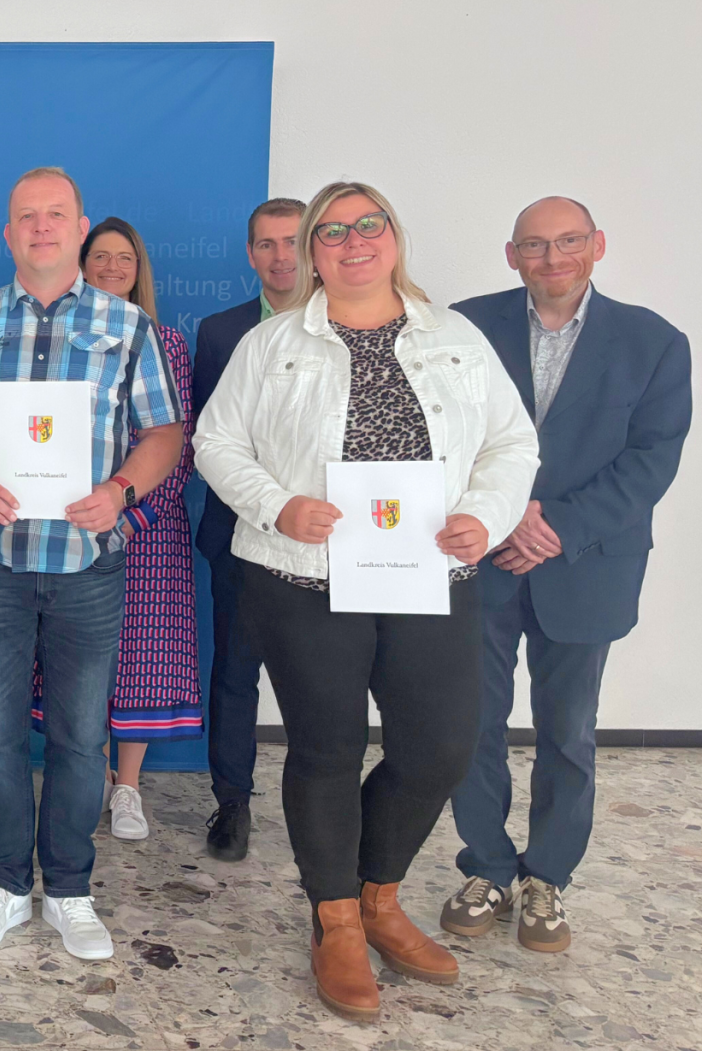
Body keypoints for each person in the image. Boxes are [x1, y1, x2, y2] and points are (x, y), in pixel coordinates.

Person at [193, 181, 538, 1024]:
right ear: (311, 252)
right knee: (326, 749)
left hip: (430, 577)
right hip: (303, 580)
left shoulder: (454, 336)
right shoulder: (272, 344)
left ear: (394, 236)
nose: (353, 241)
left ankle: (380, 896)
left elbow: (511, 441)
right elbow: (215, 441)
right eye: (332, 231)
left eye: (368, 225)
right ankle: (337, 916)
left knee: (440, 747)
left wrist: (484, 516)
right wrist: (278, 504)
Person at [0, 166, 185, 959]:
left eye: (55, 215)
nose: (40, 227)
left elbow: (164, 433)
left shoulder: (125, 326)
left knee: (76, 736)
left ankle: (68, 887)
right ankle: (1, 882)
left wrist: (121, 490)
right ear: (8, 233)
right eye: (26, 216)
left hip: (88, 563)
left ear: (79, 226)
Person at [443, 197, 690, 953]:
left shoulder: (654, 341)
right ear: (512, 254)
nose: (554, 258)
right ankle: (485, 864)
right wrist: (504, 513)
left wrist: (558, 528)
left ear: (598, 246)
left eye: (569, 242)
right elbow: (439, 433)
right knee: (471, 723)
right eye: (536, 245)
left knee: (570, 732)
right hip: (481, 554)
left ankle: (548, 875)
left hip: (585, 564)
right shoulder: (463, 325)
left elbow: (653, 456)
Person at [190, 197, 306, 861]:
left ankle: (320, 801)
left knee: (321, 675)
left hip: (329, 537)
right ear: (250, 253)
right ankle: (232, 799)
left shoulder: (351, 322)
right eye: (266, 244)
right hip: (237, 533)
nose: (280, 256)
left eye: (292, 241)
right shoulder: (220, 331)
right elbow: (211, 439)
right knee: (235, 670)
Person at [78, 217, 200, 842]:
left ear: (138, 269)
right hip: (74, 524)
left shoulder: (168, 345)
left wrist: (133, 514)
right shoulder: (64, 337)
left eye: (123, 258)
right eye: (99, 256)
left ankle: (127, 787)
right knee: (83, 656)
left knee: (141, 657)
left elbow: (178, 446)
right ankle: (90, 774)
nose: (111, 267)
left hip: (149, 530)